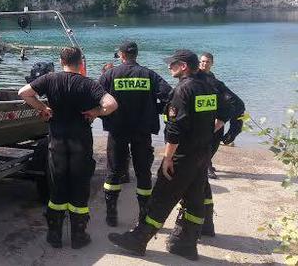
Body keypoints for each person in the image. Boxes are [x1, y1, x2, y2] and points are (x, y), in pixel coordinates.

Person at [108, 50, 226, 261]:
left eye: (172, 64)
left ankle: (138, 239)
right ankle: (186, 244)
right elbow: (225, 111)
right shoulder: (209, 86)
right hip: (202, 154)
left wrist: (168, 157)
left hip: (182, 155)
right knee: (194, 199)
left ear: (183, 66)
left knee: (161, 197)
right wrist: (208, 132)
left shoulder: (183, 89)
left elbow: (175, 129)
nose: (168, 67)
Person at [19, 47, 118, 249]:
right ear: (80, 62)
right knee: (79, 189)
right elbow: (112, 104)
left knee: (57, 189)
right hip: (80, 145)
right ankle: (78, 236)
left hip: (57, 144)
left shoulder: (50, 79)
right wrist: (96, 112)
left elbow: (23, 93)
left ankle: (54, 236)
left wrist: (43, 108)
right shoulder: (88, 83)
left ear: (61, 60)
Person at [99, 41, 172, 227]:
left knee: (114, 171)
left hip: (117, 130)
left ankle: (111, 215)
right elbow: (169, 96)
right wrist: (153, 109)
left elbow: (95, 96)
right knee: (143, 172)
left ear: (122, 55)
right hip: (142, 131)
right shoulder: (149, 75)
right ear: (136, 55)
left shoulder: (111, 74)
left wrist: (102, 114)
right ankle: (143, 216)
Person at [196, 52, 246, 237]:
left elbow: (238, 105)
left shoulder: (215, 84)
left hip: (211, 130)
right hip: (202, 130)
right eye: (201, 61)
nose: (204, 64)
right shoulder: (192, 82)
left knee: (199, 175)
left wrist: (232, 129)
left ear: (212, 64)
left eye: (207, 62)